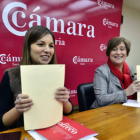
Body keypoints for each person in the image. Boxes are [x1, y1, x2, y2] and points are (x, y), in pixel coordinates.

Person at [0, 25, 73, 131]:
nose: (48, 50)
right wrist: (18, 109)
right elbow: (2, 122)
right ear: (28, 47)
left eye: (51, 46)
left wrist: (65, 101)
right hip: (25, 133)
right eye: (40, 44)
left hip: (54, 130)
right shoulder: (11, 75)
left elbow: (69, 111)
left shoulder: (55, 73)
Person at [91, 36, 140, 108]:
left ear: (127, 52)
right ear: (109, 53)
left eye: (122, 49)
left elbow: (134, 91)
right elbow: (101, 100)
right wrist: (126, 92)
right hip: (103, 113)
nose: (118, 53)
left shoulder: (130, 69)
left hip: (124, 109)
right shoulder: (101, 71)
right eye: (114, 49)